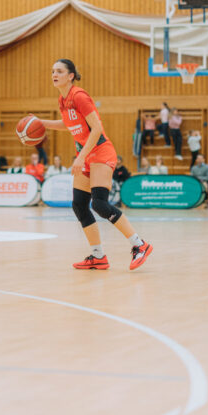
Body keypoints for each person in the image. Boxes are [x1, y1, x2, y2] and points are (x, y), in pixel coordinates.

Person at [38, 58, 152, 271]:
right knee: (79, 205)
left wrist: (81, 157)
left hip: (100, 151)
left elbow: (97, 128)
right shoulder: (62, 100)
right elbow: (69, 124)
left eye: (59, 71)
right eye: (53, 71)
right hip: (86, 155)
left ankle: (140, 244)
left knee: (99, 204)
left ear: (71, 76)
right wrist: (42, 123)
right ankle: (98, 256)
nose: (54, 74)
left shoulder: (79, 96)